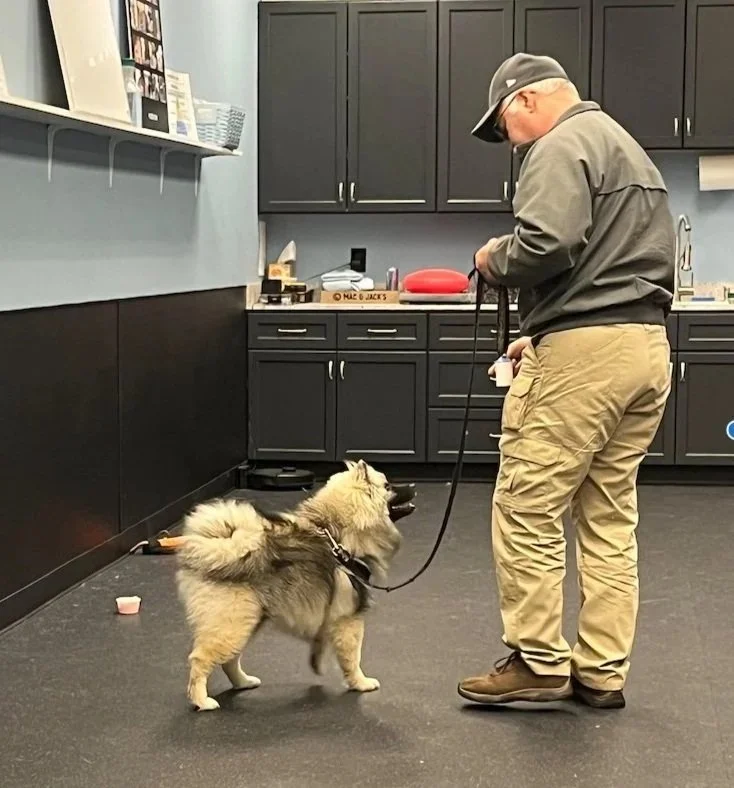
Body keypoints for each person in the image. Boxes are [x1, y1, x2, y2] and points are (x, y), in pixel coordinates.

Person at [458, 53, 675, 710]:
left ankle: (538, 659)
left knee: (526, 505)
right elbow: (609, 261)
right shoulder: (627, 149)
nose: (510, 143)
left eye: (504, 128)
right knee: (608, 515)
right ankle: (602, 670)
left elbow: (546, 243)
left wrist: (492, 257)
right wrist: (548, 328)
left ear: (525, 99)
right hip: (644, 346)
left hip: (586, 359)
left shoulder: (558, 143)